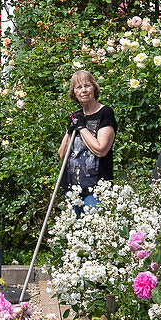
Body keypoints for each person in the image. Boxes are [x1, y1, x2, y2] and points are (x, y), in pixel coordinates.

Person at [58, 70, 117, 213]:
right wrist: (71, 129)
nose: (83, 90)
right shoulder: (76, 116)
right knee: (74, 231)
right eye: (78, 87)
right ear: (74, 93)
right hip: (73, 189)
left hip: (95, 188)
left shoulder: (105, 113)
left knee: (92, 227)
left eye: (87, 86)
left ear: (94, 88)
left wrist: (81, 127)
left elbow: (101, 150)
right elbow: (62, 155)